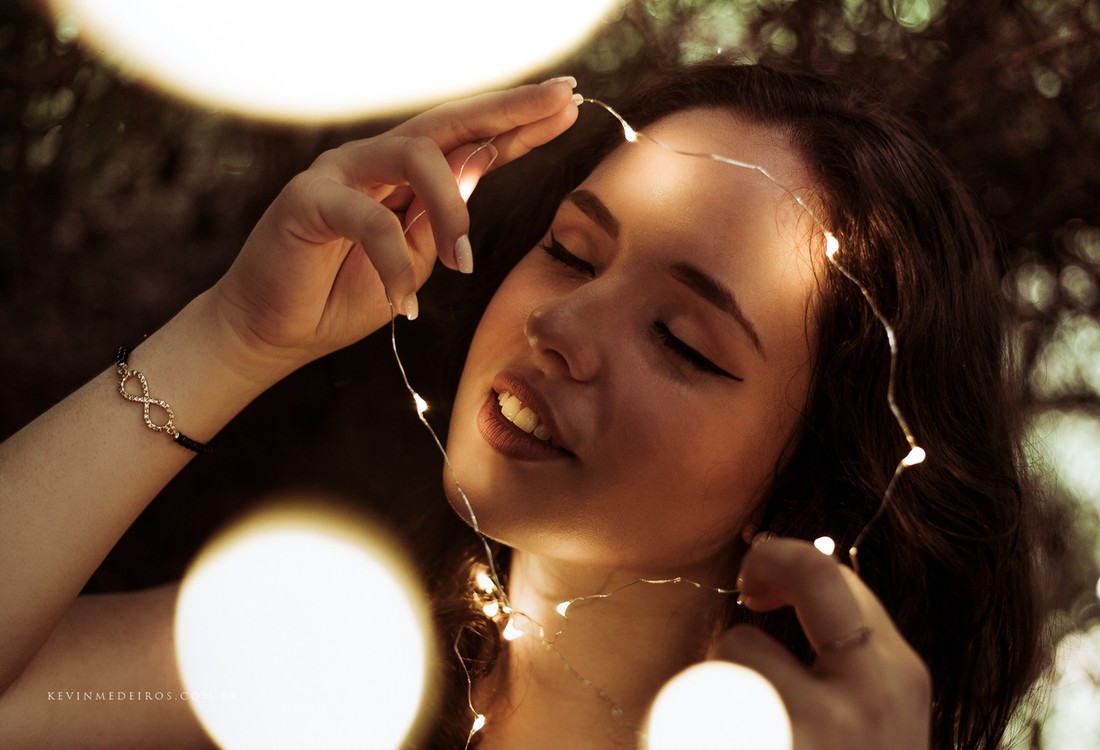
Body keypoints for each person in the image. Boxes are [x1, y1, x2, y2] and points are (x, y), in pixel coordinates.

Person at [0, 63, 1043, 749]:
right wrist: (230, 339)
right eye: (570, 251)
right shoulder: (310, 671)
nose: (565, 326)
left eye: (682, 339)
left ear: (822, 474)